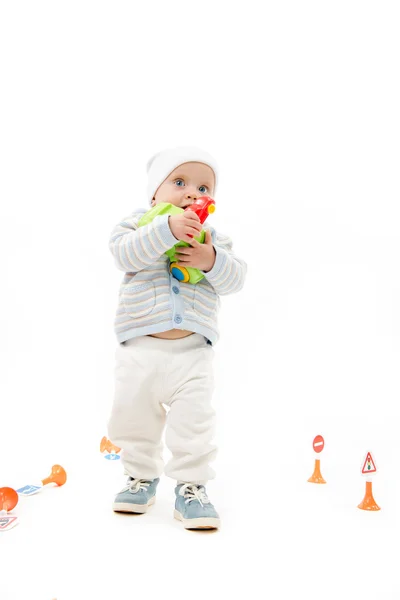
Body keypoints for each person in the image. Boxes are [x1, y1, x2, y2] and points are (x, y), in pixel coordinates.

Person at [108, 146, 246, 529]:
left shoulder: (212, 238)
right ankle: (140, 477)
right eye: (180, 182)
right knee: (133, 419)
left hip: (192, 353)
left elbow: (236, 279)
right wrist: (164, 230)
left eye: (203, 187)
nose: (191, 192)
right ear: (155, 193)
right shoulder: (137, 226)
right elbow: (124, 256)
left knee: (195, 425)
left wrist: (211, 259)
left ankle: (192, 487)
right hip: (139, 348)